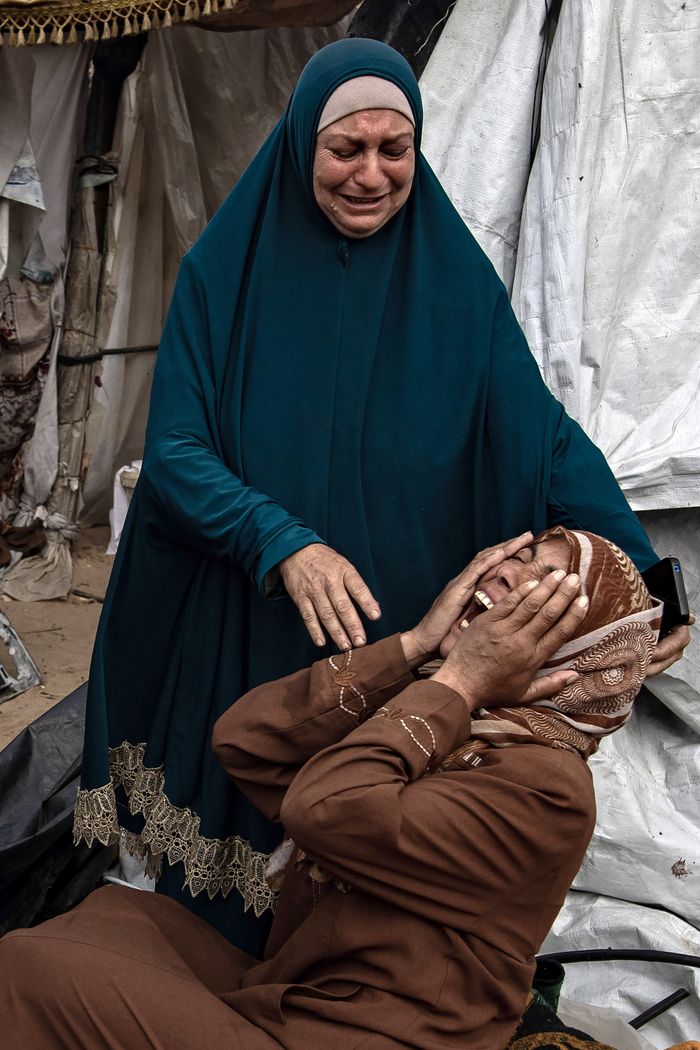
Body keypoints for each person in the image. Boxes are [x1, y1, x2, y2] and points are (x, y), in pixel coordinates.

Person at [73, 37, 688, 953]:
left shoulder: (455, 285)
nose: (370, 174)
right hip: (246, 615)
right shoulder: (222, 275)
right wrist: (277, 540)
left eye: (392, 150)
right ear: (300, 147)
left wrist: (643, 572)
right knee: (232, 810)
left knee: (356, 816)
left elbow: (543, 439)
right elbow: (175, 452)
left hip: (396, 615)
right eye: (345, 150)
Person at [2, 528, 661, 1049]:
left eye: (549, 589)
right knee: (125, 913)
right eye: (521, 555)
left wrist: (456, 682)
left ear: (585, 653)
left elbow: (327, 810)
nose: (507, 572)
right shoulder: (451, 716)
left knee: (28, 971)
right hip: (295, 998)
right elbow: (248, 741)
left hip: (353, 1039)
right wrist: (414, 645)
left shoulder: (546, 789)